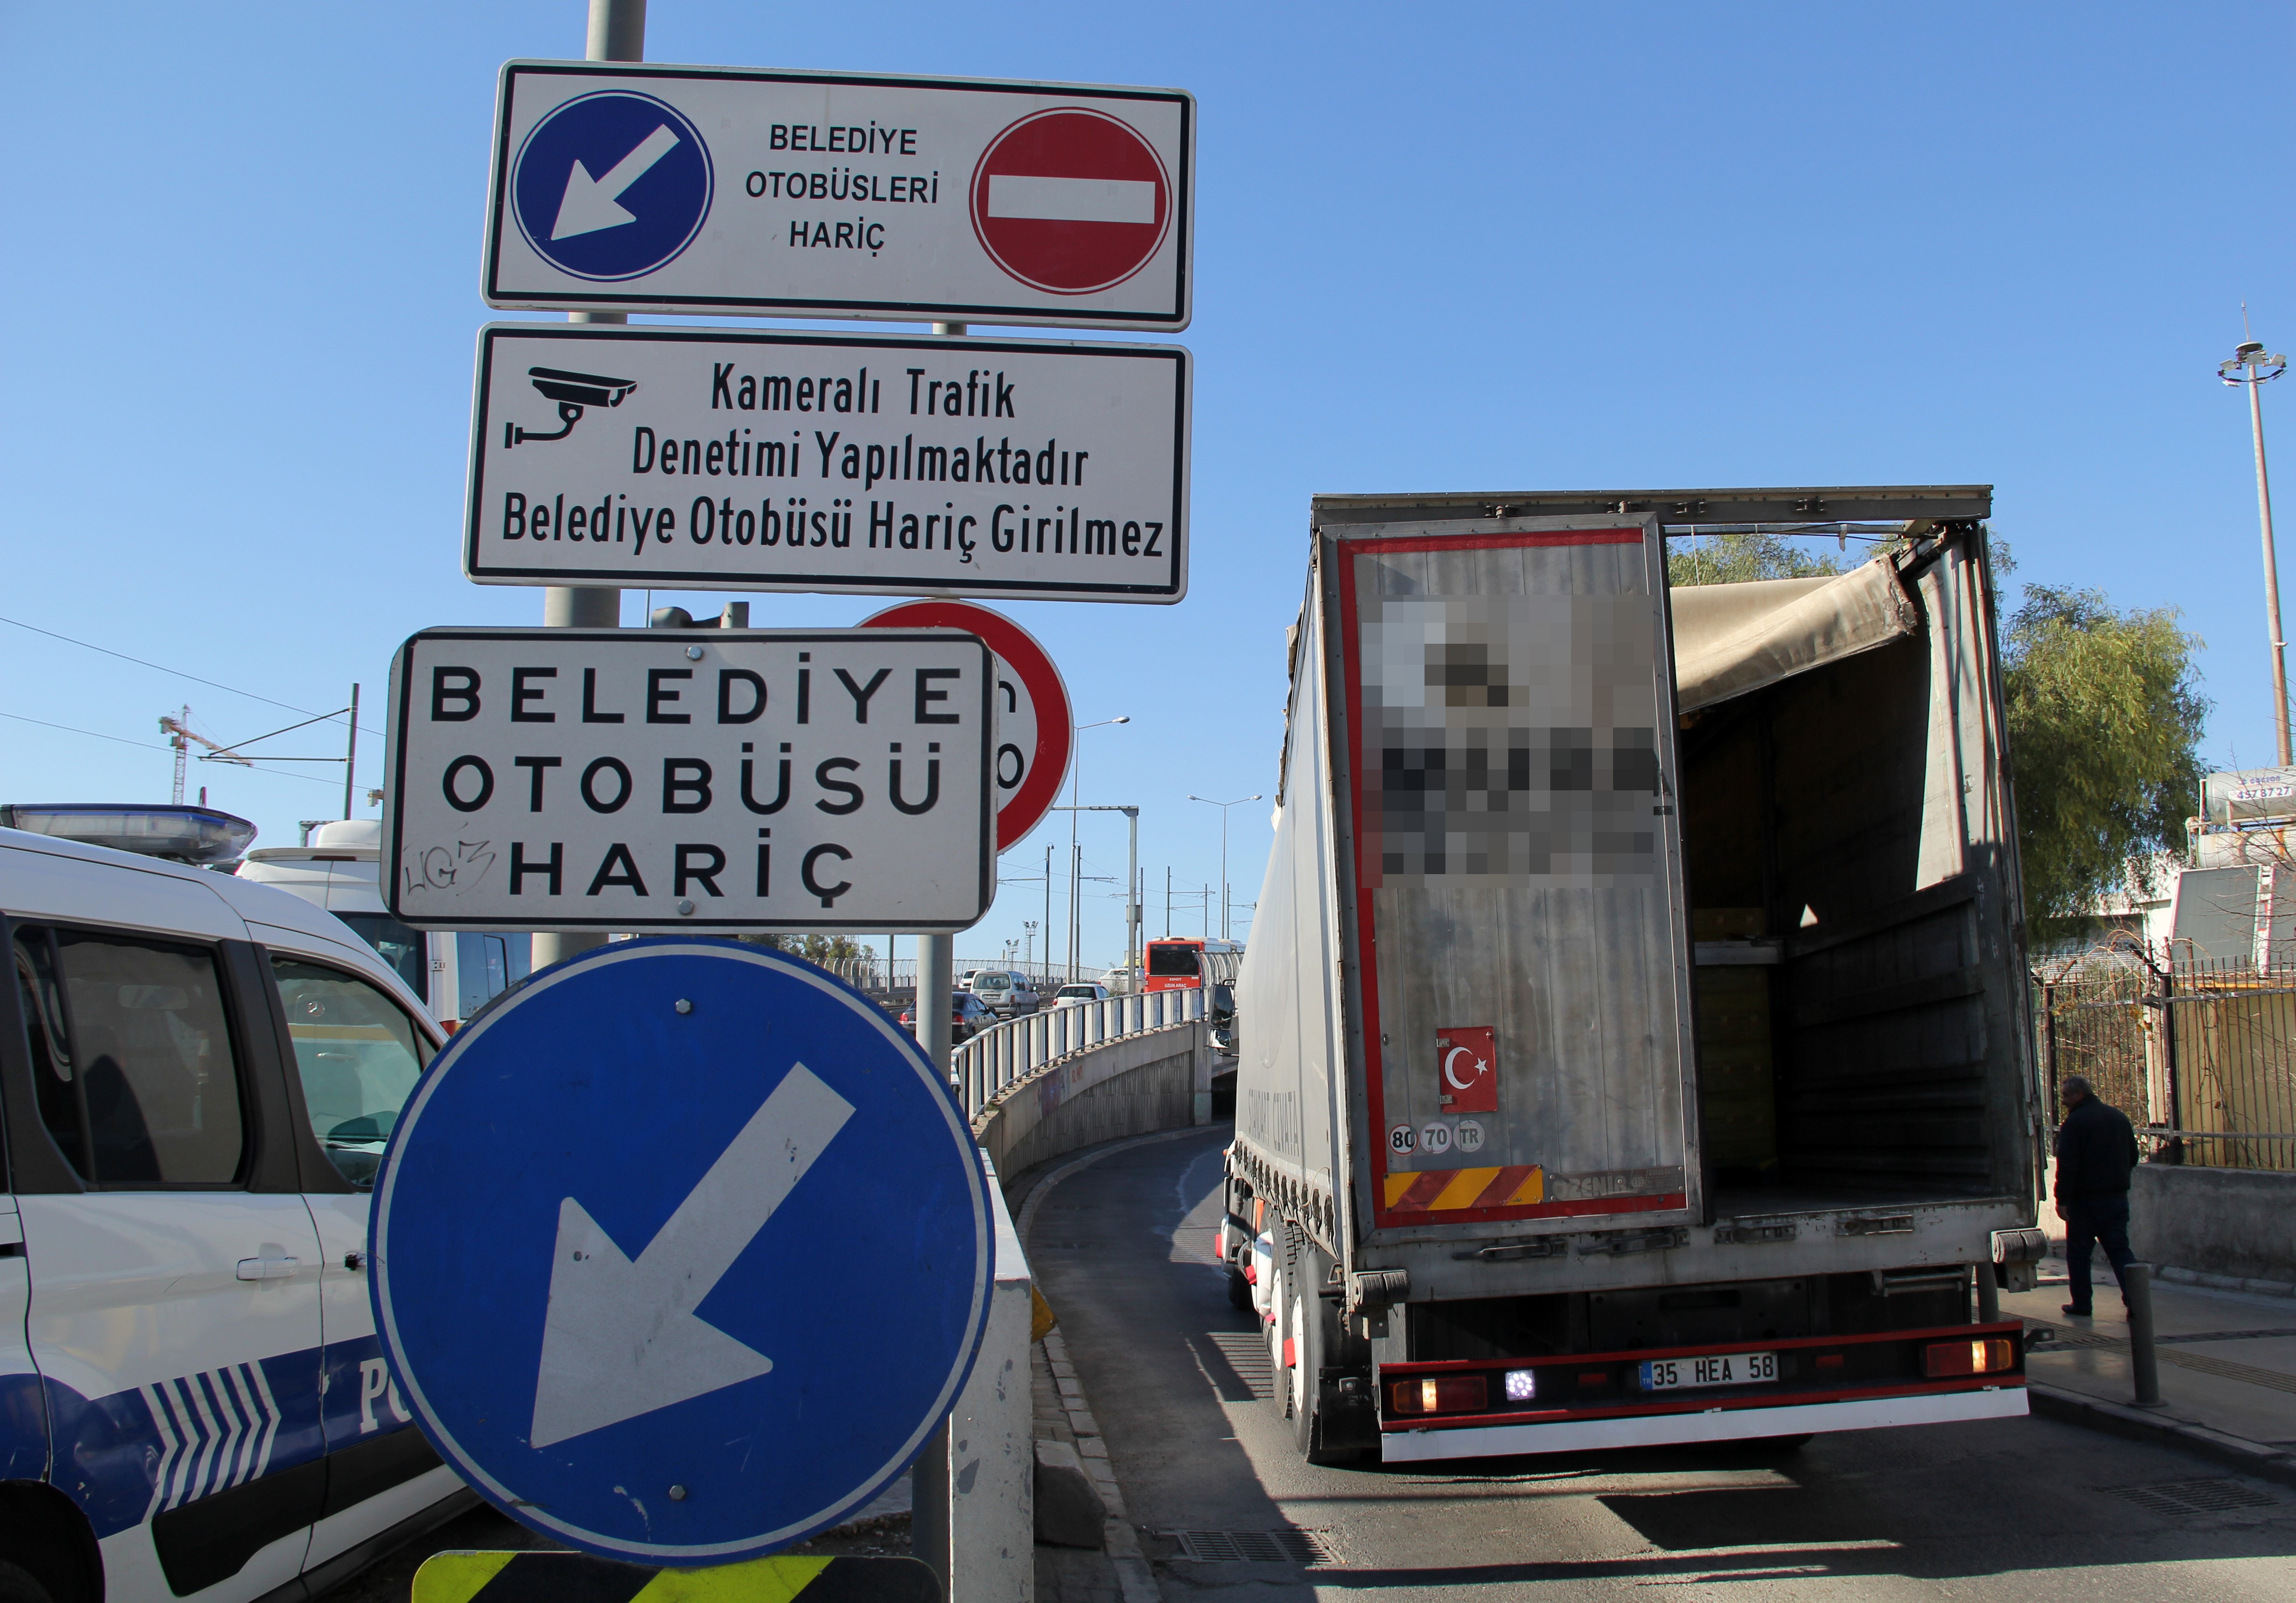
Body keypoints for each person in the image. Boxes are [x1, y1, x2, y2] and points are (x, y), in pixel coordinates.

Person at [2053, 1074, 2142, 1317]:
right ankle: (2137, 1300)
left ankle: (2082, 1303)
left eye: (2066, 1096)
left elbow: (2068, 1165)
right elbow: (2133, 1156)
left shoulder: (2075, 1123)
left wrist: (2062, 1199)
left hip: (2086, 1202)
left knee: (2079, 1254)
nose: (2064, 1102)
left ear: (2079, 1095)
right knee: (2120, 1250)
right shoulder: (2118, 1117)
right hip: (2116, 1199)